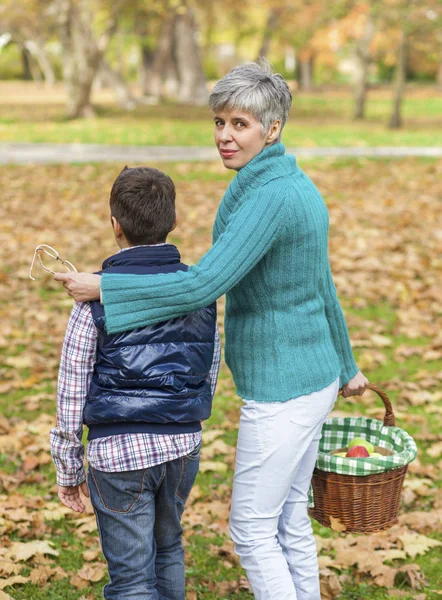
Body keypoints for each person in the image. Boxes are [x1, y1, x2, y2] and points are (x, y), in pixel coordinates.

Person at [54, 61, 368, 600]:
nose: (224, 136)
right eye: (220, 122)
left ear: (272, 129)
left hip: (285, 387)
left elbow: (203, 285)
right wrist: (347, 366)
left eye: (239, 124)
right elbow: (323, 286)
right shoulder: (284, 183)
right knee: (289, 519)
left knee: (251, 529)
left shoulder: (271, 198)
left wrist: (105, 287)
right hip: (311, 376)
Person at [50, 166, 220, 600]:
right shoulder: (198, 291)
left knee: (131, 580)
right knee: (168, 549)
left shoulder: (95, 297)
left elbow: (71, 388)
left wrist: (69, 469)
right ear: (174, 222)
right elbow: (209, 366)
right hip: (182, 447)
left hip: (119, 452)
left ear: (115, 226)